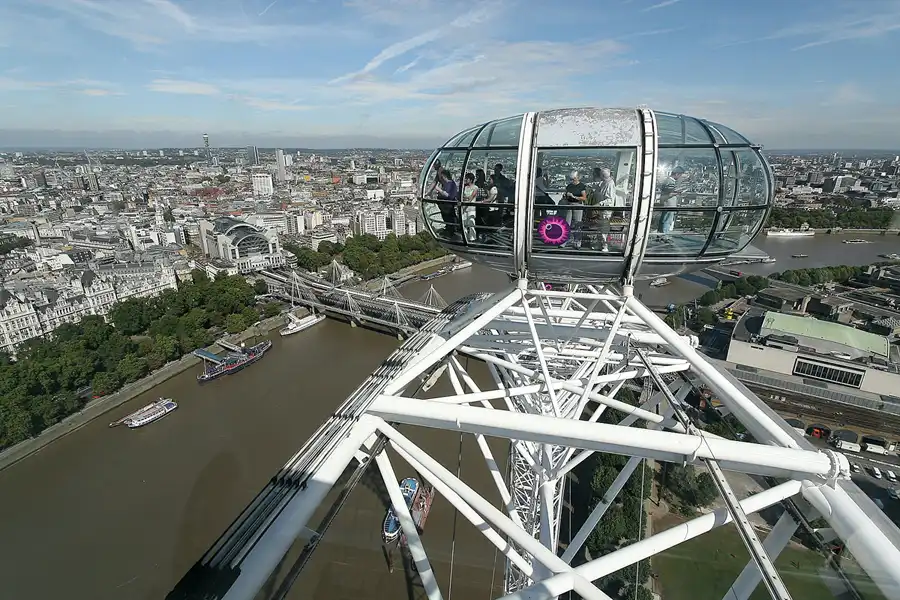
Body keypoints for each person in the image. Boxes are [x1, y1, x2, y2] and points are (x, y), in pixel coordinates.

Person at [657, 165, 685, 235]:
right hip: (669, 204)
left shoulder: (667, 180)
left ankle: (660, 235)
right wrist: (678, 192)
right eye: (680, 175)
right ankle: (664, 235)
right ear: (676, 174)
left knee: (664, 219)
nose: (680, 177)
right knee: (667, 220)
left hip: (666, 203)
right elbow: (668, 193)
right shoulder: (669, 181)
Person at [563, 171, 587, 246]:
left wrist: (574, 196)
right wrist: (565, 196)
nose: (572, 180)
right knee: (567, 223)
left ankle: (577, 241)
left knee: (577, 223)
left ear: (577, 178)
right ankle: (565, 240)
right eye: (572, 179)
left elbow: (584, 198)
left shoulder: (581, 186)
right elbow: (565, 196)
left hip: (578, 205)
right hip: (569, 204)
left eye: (574, 179)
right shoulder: (569, 186)